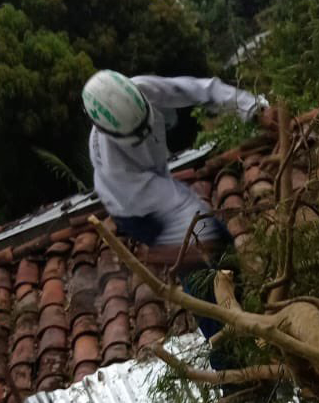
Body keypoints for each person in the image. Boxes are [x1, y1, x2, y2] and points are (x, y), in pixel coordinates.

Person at [81, 70, 266, 365]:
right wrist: (180, 250)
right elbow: (177, 209)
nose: (144, 133)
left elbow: (198, 88)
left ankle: (250, 321)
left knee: (224, 252)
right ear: (110, 134)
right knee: (203, 278)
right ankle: (233, 371)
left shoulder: (142, 89)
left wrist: (254, 108)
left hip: (158, 179)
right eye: (135, 133)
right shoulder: (118, 171)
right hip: (138, 213)